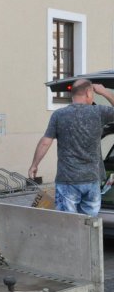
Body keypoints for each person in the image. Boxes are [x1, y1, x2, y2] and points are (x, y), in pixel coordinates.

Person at [29, 79, 114, 216]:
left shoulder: (59, 115)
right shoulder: (99, 112)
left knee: (67, 223)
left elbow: (45, 142)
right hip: (91, 180)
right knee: (89, 224)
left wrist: (34, 164)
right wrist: (104, 92)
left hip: (67, 180)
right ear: (88, 93)